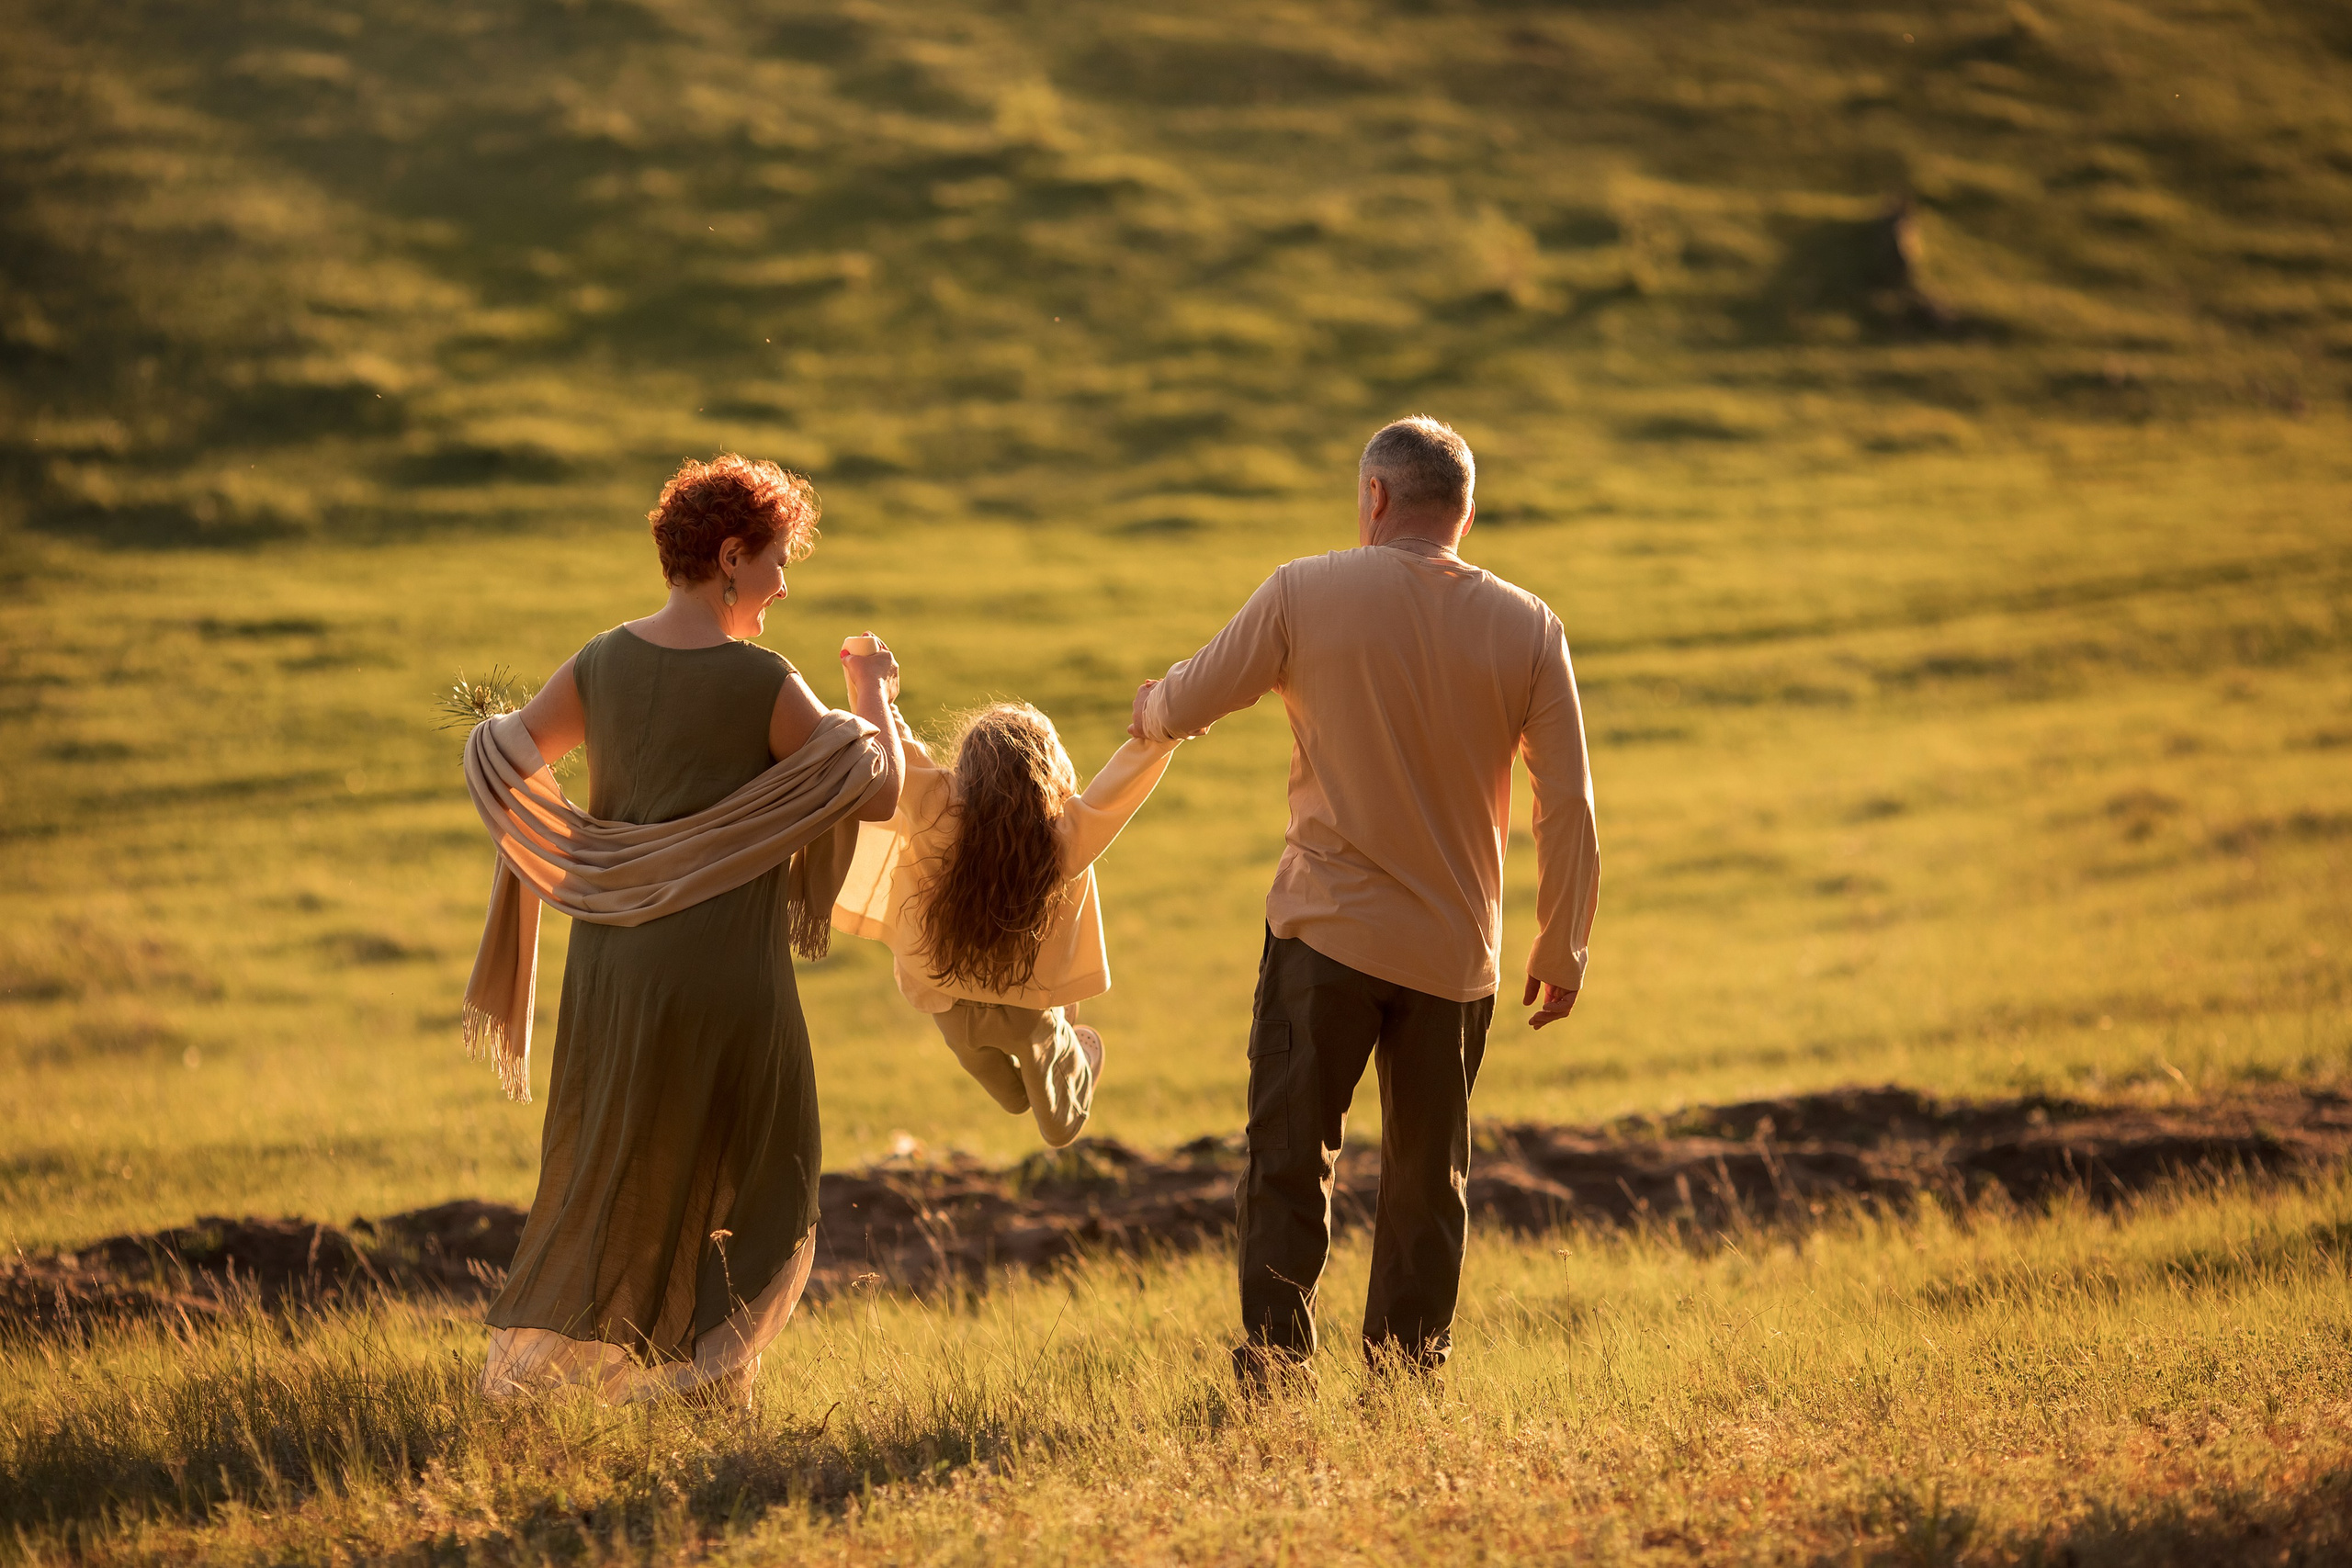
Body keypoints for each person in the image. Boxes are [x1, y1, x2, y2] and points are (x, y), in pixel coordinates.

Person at [1128, 415, 1600, 1382]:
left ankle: (1277, 1360)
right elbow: (1569, 804)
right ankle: (1407, 1371)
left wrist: (1152, 707)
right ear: (1465, 513)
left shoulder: (1306, 590)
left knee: (1290, 1153)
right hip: (1454, 955)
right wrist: (1562, 950)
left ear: (1375, 497)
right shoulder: (1530, 626)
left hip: (1325, 935)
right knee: (1431, 1178)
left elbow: (1188, 703)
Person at [462, 454, 905, 1404]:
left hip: (612, 966)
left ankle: (626, 1381)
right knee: (768, 1167)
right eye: (779, 562)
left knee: (625, 1158)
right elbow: (875, 784)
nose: (783, 586)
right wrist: (874, 692)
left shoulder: (599, 661)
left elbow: (505, 754)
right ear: (733, 557)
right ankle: (702, 1382)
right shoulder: (765, 681)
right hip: (722, 970)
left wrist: (588, 855)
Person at [832, 703, 1181, 1146]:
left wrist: (873, 685)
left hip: (971, 1005)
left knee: (1036, 1114)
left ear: (966, 770)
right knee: (1036, 1112)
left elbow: (892, 750)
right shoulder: (1063, 838)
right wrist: (1159, 735)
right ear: (1048, 776)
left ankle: (1073, 1051)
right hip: (996, 1005)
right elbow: (1114, 794)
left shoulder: (939, 809)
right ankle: (1061, 1033)